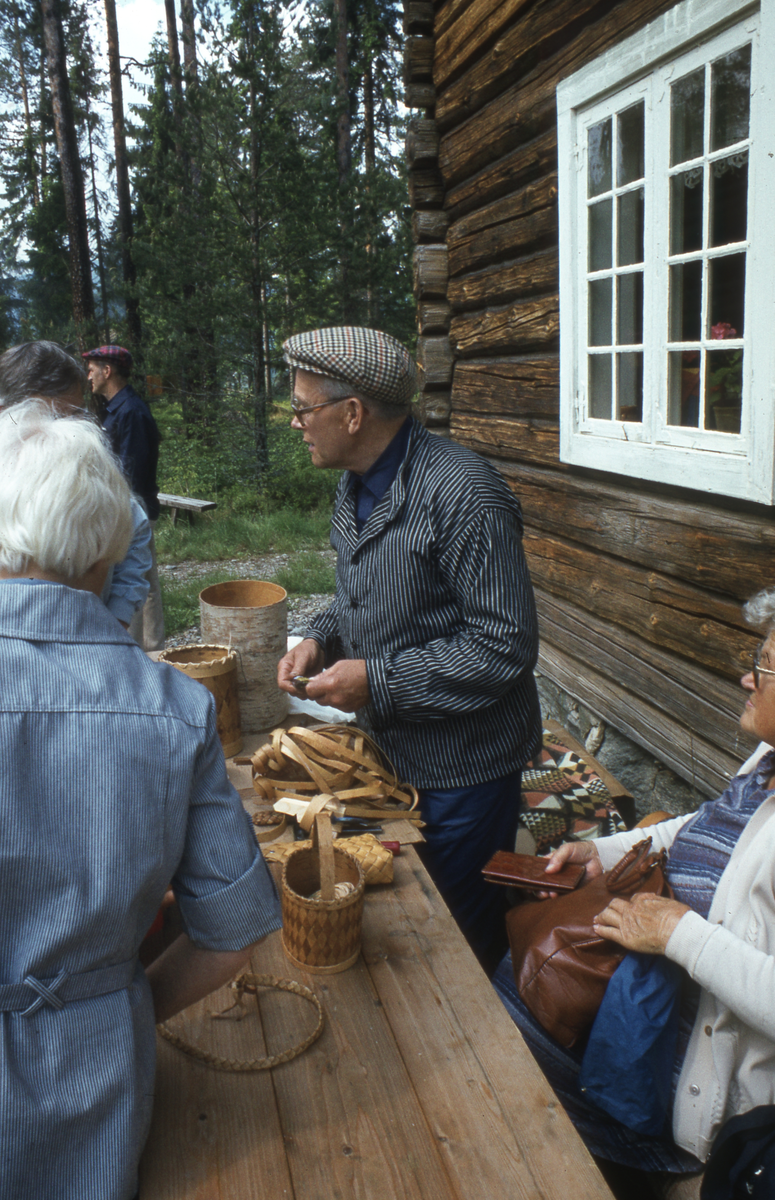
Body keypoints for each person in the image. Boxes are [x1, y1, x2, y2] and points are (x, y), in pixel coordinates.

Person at [0, 400, 282, 1200]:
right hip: (97, 1089)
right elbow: (232, 936)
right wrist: (115, 1009)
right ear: (105, 553)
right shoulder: (171, 705)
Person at [277, 326, 542, 972]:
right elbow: (363, 593)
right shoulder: (356, 481)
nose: (294, 423)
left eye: (303, 407)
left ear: (352, 412)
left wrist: (378, 683)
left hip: (464, 772)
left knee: (455, 941)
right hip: (390, 759)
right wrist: (319, 635)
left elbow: (505, 645)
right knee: (406, 926)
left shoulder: (462, 494)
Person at [493, 586, 775, 1191]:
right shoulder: (767, 763)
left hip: (690, 1070)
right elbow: (700, 826)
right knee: (517, 968)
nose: (747, 678)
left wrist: (679, 934)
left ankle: (601, 1165)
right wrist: (602, 851)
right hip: (658, 993)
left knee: (511, 1013)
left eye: (765, 665)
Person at [0, 340, 152, 630]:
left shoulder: (86, 477)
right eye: (55, 416)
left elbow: (135, 522)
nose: (67, 430)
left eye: (75, 416)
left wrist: (114, 623)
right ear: (6, 410)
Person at [83, 344, 164, 651]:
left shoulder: (131, 411)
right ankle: (144, 650)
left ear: (108, 371)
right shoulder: (115, 408)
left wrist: (117, 512)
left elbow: (131, 472)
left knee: (138, 580)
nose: (88, 375)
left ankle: (148, 651)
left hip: (132, 512)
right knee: (137, 579)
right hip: (122, 510)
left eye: (92, 369)